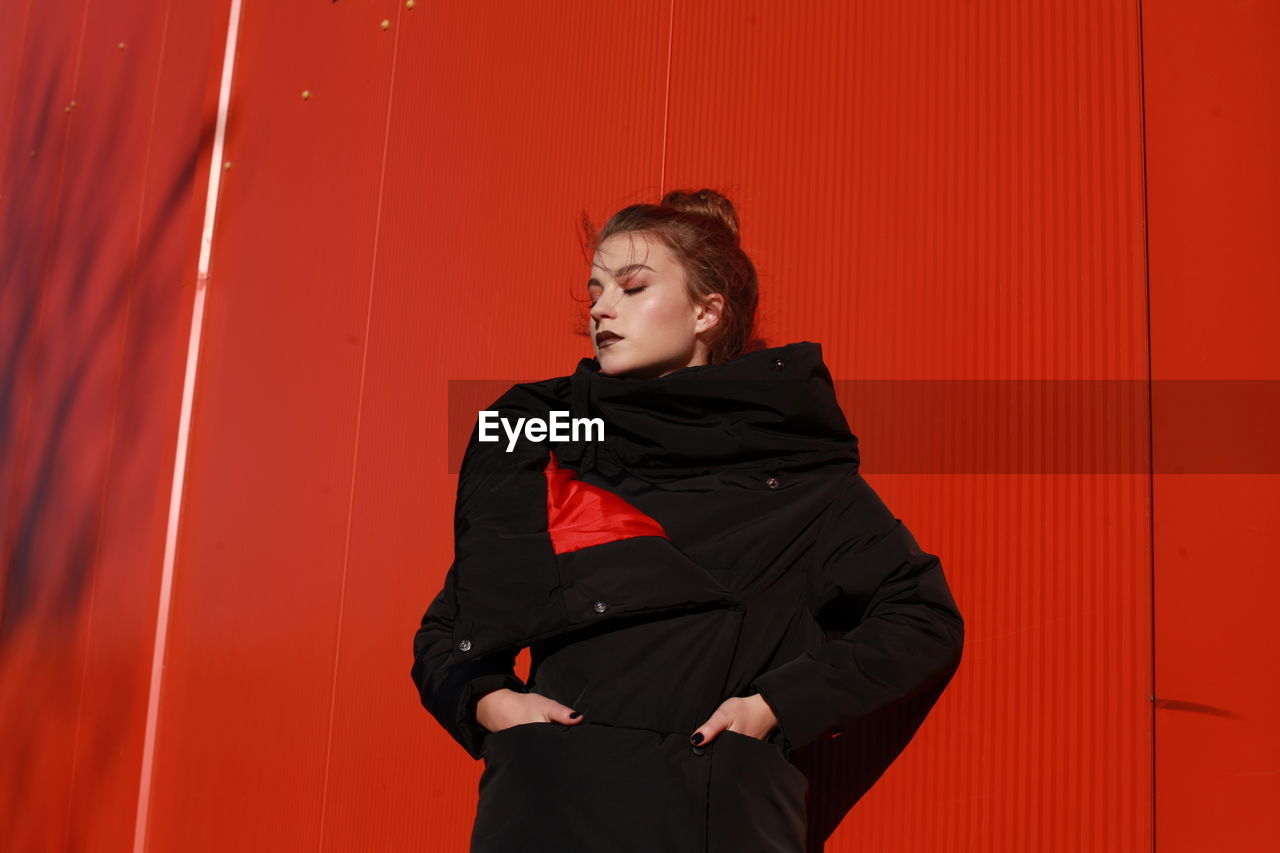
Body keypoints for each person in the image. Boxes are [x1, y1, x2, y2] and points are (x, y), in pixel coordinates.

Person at [410, 189, 964, 853]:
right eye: (594, 291)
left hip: (710, 816)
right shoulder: (556, 461)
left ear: (707, 311)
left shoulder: (795, 477)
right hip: (545, 811)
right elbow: (452, 626)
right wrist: (493, 704)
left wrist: (773, 707)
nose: (600, 307)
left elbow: (922, 618)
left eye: (632, 285)